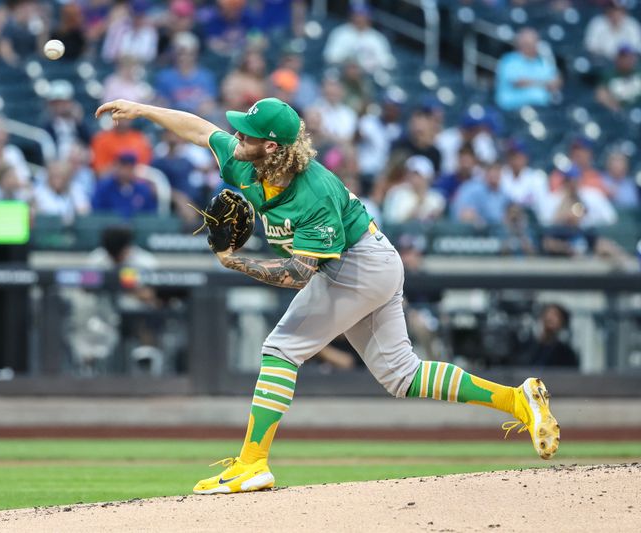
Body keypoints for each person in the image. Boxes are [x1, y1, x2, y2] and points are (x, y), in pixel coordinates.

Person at [94, 96, 561, 494]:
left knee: (280, 348)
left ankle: (252, 463)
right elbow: (200, 130)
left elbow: (300, 274)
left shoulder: (312, 192)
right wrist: (143, 109)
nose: (237, 138)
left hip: (359, 264)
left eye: (248, 134)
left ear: (271, 146)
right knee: (402, 375)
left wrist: (235, 262)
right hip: (365, 264)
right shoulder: (244, 159)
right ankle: (518, 400)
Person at [495, 28, 561, 111]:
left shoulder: (542, 62)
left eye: (533, 43)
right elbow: (519, 82)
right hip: (514, 110)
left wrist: (549, 82)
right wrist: (544, 83)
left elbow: (556, 82)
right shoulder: (509, 60)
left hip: (541, 109)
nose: (530, 47)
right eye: (526, 44)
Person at [323, 4, 395, 75]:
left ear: (368, 17)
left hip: (369, 76)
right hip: (342, 75)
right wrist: (350, 62)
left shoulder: (377, 38)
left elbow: (388, 62)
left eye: (362, 15)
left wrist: (369, 64)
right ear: (351, 16)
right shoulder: (340, 33)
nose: (359, 18)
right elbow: (329, 56)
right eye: (356, 15)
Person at [382, 155, 445, 224]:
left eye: (417, 174)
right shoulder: (396, 193)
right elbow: (390, 221)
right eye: (409, 173)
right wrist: (411, 216)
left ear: (428, 177)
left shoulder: (437, 198)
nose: (412, 177)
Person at [91, 151, 157, 217]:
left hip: (137, 227)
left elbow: (150, 215)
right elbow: (96, 212)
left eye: (130, 167)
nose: (126, 171)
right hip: (109, 226)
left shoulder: (143, 189)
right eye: (124, 166)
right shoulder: (104, 188)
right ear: (117, 166)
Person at [42, 80, 91, 160]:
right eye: (56, 103)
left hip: (80, 161)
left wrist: (79, 121)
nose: (60, 106)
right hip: (58, 164)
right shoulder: (49, 125)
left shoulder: (77, 123)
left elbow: (89, 140)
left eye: (63, 102)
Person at [452, 162, 511, 228]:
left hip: (497, 231)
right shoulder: (472, 188)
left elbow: (509, 214)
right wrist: (477, 219)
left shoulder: (504, 194)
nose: (494, 177)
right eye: (492, 173)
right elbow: (463, 213)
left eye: (497, 174)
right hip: (474, 231)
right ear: (486, 174)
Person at [499, 139, 547, 214]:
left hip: (530, 221)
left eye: (518, 156)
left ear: (526, 157)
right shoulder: (500, 175)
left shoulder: (536, 178)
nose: (515, 160)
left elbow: (542, 208)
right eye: (512, 156)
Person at [595, 45, 641, 112]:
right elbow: (601, 95)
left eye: (629, 57)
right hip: (620, 114)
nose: (627, 60)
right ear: (617, 59)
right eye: (623, 57)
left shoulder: (639, 73)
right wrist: (616, 109)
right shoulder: (609, 77)